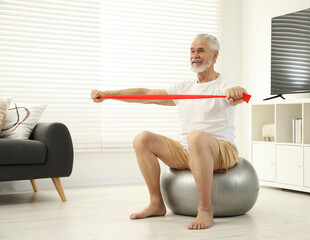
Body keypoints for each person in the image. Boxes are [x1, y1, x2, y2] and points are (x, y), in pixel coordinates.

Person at [91, 33, 247, 230]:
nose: (194, 55)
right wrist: (108, 94)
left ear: (215, 56)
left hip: (221, 151)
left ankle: (205, 209)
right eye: (192, 51)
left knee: (196, 136)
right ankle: (156, 203)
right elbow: (146, 94)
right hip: (187, 151)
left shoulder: (225, 84)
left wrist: (238, 92)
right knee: (143, 139)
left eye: (200, 50)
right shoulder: (183, 87)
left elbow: (239, 94)